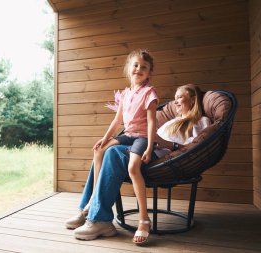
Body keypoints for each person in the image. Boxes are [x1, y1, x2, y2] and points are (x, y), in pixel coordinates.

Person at [65, 83, 211, 245]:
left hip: (158, 157)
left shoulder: (201, 121)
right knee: (102, 150)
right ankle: (86, 209)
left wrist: (168, 144)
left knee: (114, 154)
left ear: (193, 100)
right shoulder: (174, 121)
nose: (176, 102)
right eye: (175, 98)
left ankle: (100, 220)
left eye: (180, 97)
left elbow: (195, 146)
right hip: (143, 146)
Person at [66, 49, 159, 245]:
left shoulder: (149, 93)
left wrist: (150, 147)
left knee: (132, 166)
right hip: (127, 135)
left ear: (149, 73)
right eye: (135, 65)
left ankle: (143, 219)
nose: (139, 69)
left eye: (144, 67)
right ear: (128, 68)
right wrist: (104, 138)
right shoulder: (126, 93)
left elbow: (151, 123)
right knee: (99, 149)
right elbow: (117, 120)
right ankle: (91, 204)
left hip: (140, 138)